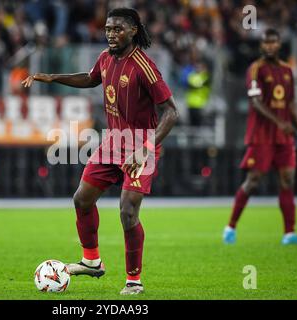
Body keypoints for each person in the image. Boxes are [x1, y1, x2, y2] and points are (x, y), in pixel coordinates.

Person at [22, 7, 179, 294]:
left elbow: (171, 113)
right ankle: (92, 261)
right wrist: (53, 77)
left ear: (133, 30)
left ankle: (134, 280)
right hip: (112, 142)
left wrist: (146, 149)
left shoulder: (144, 66)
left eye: (118, 29)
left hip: (140, 145)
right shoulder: (105, 58)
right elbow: (92, 78)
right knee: (82, 200)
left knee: (128, 211)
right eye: (108, 29)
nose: (111, 34)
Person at [223, 29, 297, 245]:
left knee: (288, 179)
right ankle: (230, 227)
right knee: (253, 181)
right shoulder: (256, 69)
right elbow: (256, 102)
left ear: (279, 44)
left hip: (284, 137)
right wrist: (280, 122)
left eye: (274, 42)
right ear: (262, 45)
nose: (270, 46)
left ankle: (289, 233)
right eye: (266, 42)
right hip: (262, 134)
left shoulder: (287, 70)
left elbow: (291, 104)